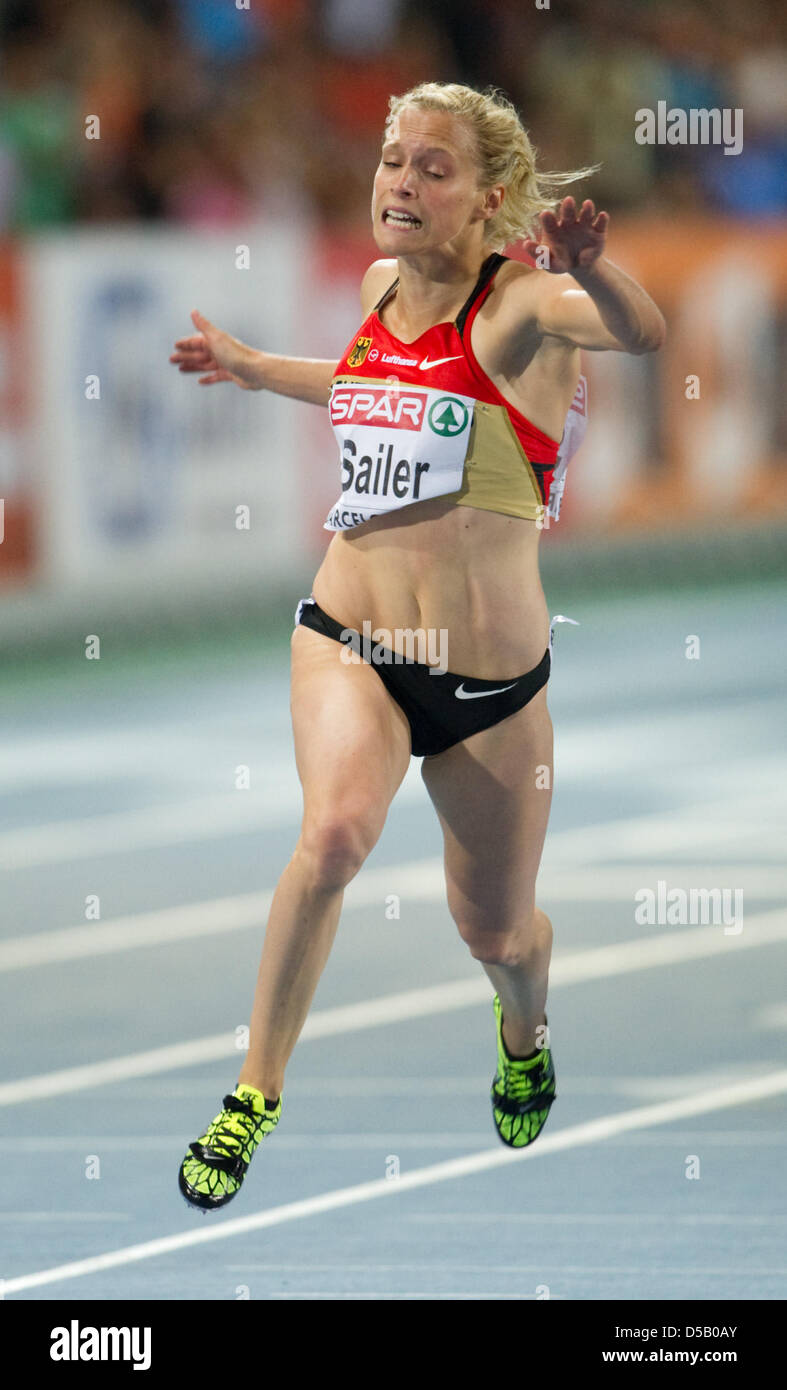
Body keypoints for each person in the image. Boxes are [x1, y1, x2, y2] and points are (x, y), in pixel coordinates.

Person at [169, 81, 665, 1212]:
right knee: (335, 832)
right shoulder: (379, 285)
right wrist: (257, 369)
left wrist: (591, 265)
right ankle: (254, 1091)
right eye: (394, 161)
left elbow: (643, 332)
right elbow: (366, 388)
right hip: (349, 633)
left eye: (431, 169)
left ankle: (525, 1031)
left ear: (490, 199)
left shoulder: (526, 309)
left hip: (488, 686)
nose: (400, 182)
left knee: (494, 927)